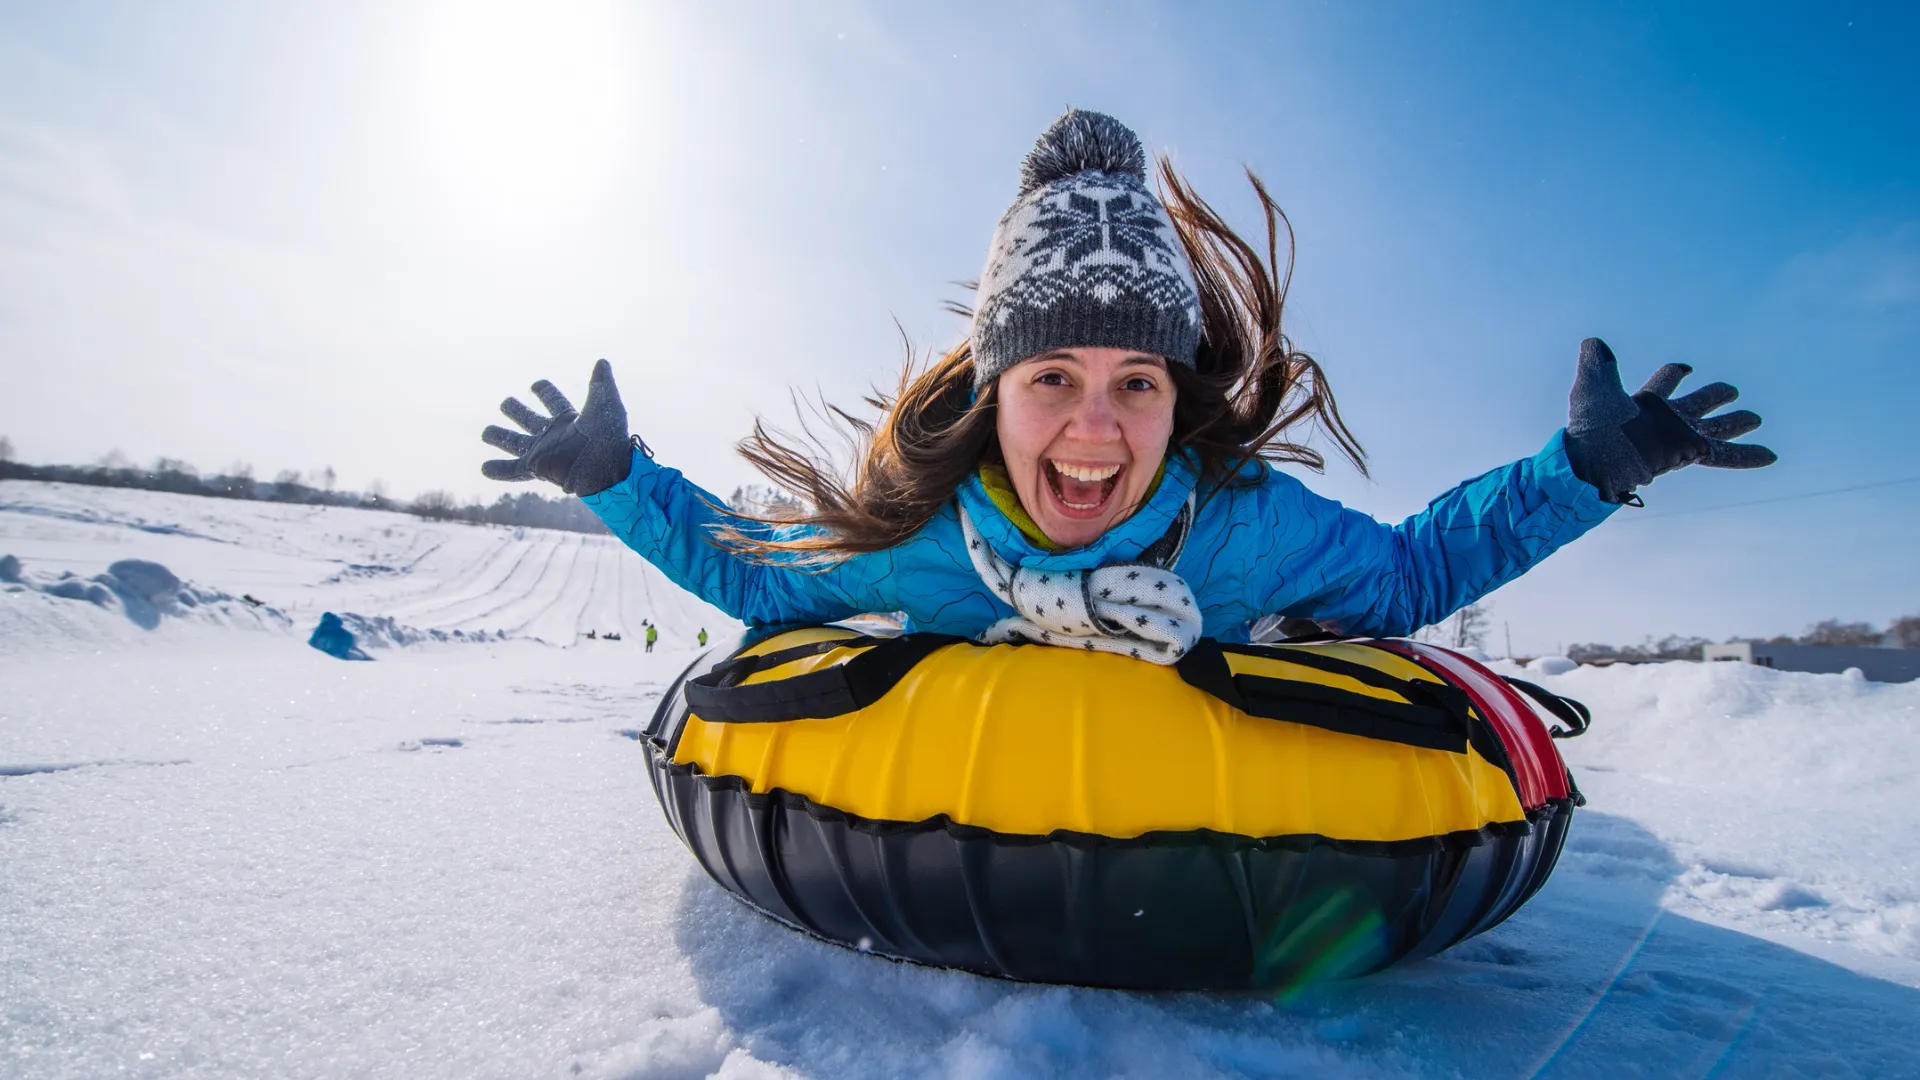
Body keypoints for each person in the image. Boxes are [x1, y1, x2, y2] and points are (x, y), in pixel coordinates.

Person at [481, 111, 1772, 663]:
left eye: (1136, 381)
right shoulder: (929, 542)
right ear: (993, 395)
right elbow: (762, 580)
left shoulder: (1244, 530)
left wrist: (1588, 474)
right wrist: (615, 480)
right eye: (1051, 375)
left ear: (1176, 397)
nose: (1095, 424)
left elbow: (1412, 577)